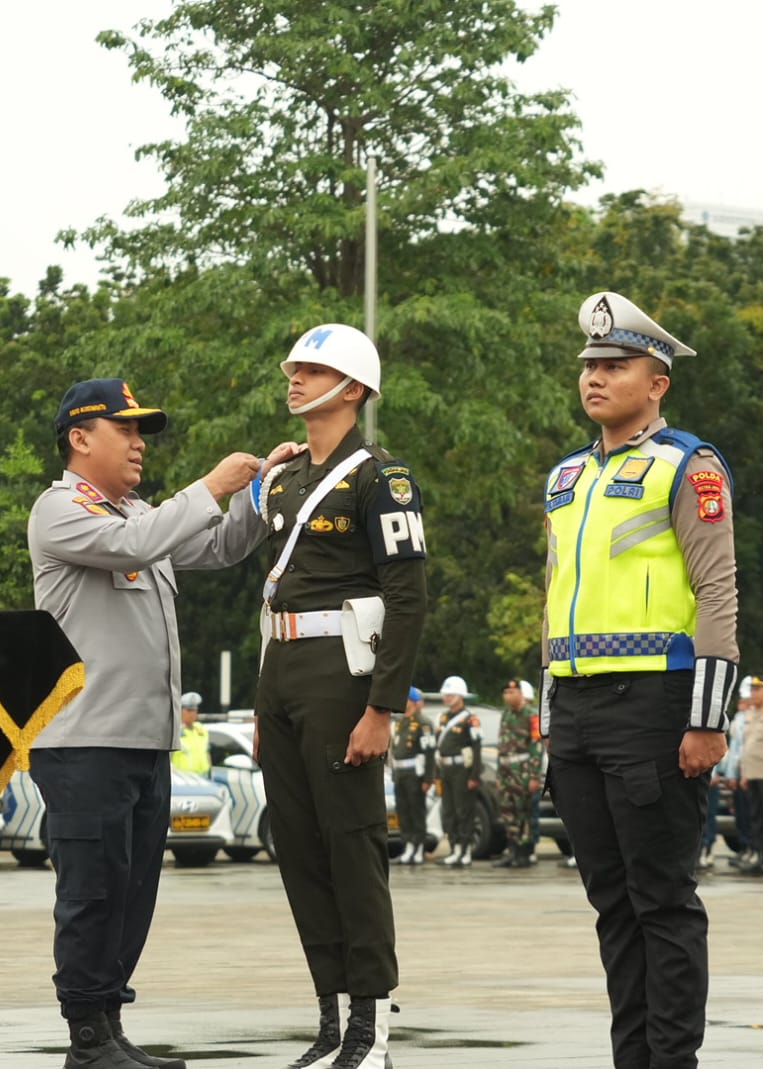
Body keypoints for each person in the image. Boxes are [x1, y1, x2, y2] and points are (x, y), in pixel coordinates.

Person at [29, 376, 287, 1069]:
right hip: (84, 741)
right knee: (91, 891)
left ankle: (109, 1027)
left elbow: (220, 546)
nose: (139, 443)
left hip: (144, 739)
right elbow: (137, 543)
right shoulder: (61, 510)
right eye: (126, 429)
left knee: (131, 891)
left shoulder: (142, 515)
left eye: (141, 431)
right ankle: (87, 1037)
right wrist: (212, 484)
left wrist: (262, 489)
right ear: (80, 438)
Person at [541, 291, 739, 1069]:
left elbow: (717, 591)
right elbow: (554, 598)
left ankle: (672, 1060)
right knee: (612, 904)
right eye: (590, 364)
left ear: (657, 382)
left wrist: (708, 717)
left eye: (615, 365)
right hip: (577, 709)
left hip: (653, 703)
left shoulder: (688, 464)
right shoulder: (565, 476)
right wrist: (551, 716)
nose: (595, 377)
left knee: (662, 899)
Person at [252, 324, 427, 1069]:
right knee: (299, 851)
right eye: (293, 368)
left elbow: (408, 598)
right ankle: (330, 1021)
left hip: (342, 674)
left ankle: (370, 1030)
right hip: (283, 668)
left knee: (353, 849)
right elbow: (273, 592)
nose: (295, 378)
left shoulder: (381, 479)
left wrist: (382, 707)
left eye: (313, 369)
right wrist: (263, 702)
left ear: (352, 388)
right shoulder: (283, 478)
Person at [727, 677, 763, 877]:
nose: (753, 693)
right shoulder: (749, 714)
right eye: (752, 689)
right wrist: (744, 773)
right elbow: (745, 746)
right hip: (752, 774)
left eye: (757, 689)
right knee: (756, 818)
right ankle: (760, 856)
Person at [494, 678, 545, 869]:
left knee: (523, 812)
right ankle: (512, 850)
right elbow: (502, 746)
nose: (508, 696)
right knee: (508, 812)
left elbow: (536, 747)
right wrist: (499, 775)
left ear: (521, 694)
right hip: (506, 771)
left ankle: (524, 853)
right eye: (505, 693)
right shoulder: (506, 714)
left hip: (522, 771)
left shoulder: (531, 715)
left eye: (512, 692)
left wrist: (534, 776)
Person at [434, 675, 483, 867]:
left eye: (450, 694)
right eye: (445, 694)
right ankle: (454, 849)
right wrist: (437, 774)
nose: (446, 698)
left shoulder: (470, 719)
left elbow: (477, 748)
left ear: (460, 695)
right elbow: (437, 748)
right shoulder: (442, 717)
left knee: (464, 811)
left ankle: (465, 850)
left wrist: (474, 775)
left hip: (462, 770)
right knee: (449, 811)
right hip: (445, 769)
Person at [390, 685, 434, 865]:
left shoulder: (423, 723)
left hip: (415, 773)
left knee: (416, 811)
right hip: (400, 773)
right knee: (403, 811)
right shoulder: (400, 722)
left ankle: (419, 847)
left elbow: (429, 752)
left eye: (406, 699)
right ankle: (408, 844)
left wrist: (428, 778)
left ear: (414, 702)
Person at [171, 692, 211, 776]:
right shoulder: (174, 730)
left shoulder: (201, 729)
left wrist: (210, 772)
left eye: (194, 710)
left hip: (204, 776)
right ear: (180, 710)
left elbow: (207, 753)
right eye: (189, 710)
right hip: (182, 777)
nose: (192, 713)